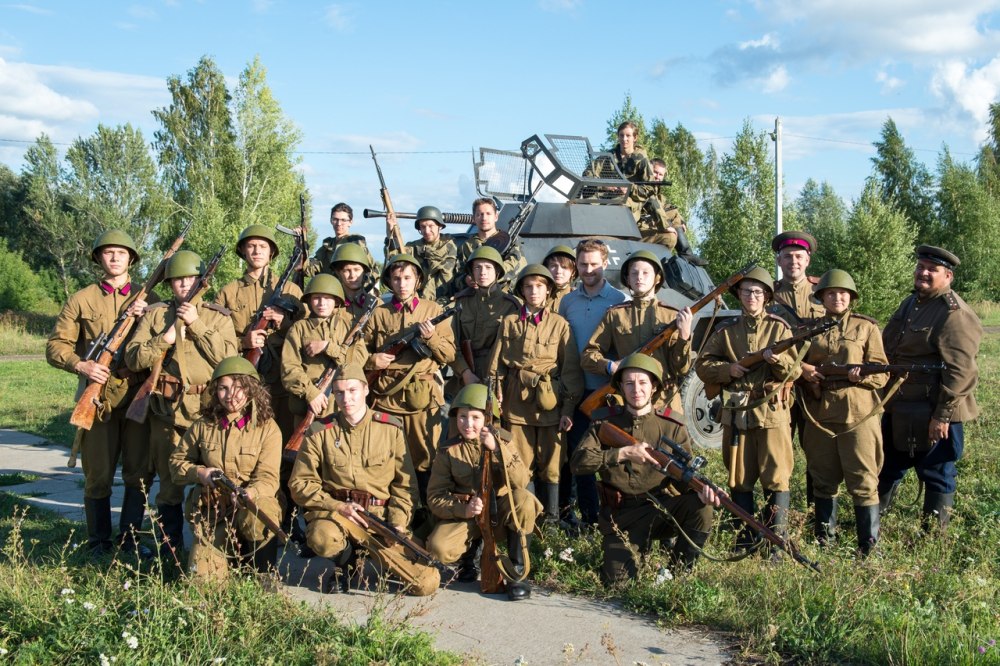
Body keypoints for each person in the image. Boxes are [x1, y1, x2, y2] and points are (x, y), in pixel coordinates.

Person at [46, 230, 155, 557]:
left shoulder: (146, 298)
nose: (114, 258)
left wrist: (147, 315)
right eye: (107, 253)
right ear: (98, 258)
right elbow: (55, 346)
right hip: (98, 398)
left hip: (137, 395)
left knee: (139, 473)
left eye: (121, 253)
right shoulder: (81, 298)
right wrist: (82, 366)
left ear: (131, 259)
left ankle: (131, 540)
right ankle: (98, 543)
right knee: (98, 475)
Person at [125, 250, 238, 556]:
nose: (184, 284)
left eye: (191, 278)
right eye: (178, 280)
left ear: (202, 281)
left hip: (209, 412)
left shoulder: (218, 316)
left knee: (216, 479)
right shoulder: (155, 314)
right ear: (170, 283)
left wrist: (197, 324)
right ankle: (170, 553)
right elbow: (133, 358)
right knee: (170, 486)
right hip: (168, 412)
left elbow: (230, 361)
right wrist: (165, 338)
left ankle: (220, 552)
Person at [288, 363, 436, 595]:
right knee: (322, 538)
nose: (346, 398)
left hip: (379, 518)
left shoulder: (391, 429)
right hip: (337, 516)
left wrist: (397, 522)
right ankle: (344, 565)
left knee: (426, 584)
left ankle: (371, 556)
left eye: (352, 390)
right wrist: (338, 506)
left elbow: (405, 485)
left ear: (366, 389)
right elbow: (300, 484)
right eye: (339, 392)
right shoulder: (319, 431)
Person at [571, 354, 718, 585]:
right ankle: (640, 551)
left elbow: (683, 478)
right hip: (621, 517)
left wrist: (702, 490)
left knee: (702, 507)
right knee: (618, 585)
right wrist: (622, 453)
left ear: (654, 387)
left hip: (660, 509)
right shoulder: (604, 423)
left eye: (642, 383)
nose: (636, 390)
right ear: (620, 387)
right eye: (629, 383)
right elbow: (578, 462)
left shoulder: (672, 426)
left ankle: (678, 575)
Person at [878, 245, 982, 533]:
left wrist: (943, 416)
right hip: (902, 405)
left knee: (937, 471)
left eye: (932, 270)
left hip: (935, 409)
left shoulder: (954, 313)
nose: (923, 273)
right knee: (887, 465)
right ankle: (871, 526)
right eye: (920, 267)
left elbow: (962, 371)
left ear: (947, 276)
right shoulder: (911, 304)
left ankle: (933, 537)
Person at [694, 266, 799, 552]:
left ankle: (776, 543)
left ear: (766, 296)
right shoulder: (725, 331)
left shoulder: (780, 328)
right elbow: (702, 365)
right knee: (739, 477)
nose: (751, 296)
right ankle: (745, 539)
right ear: (738, 295)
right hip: (737, 413)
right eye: (745, 291)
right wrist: (730, 369)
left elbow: (796, 370)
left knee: (776, 476)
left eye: (757, 292)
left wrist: (774, 360)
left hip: (772, 412)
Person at [797, 270, 888, 555]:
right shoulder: (808, 330)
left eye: (843, 293)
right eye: (831, 293)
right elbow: (789, 362)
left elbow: (882, 373)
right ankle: (825, 542)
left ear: (851, 298)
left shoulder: (866, 328)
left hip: (857, 414)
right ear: (821, 297)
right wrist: (805, 371)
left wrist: (861, 377)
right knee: (822, 479)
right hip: (820, 413)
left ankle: (868, 547)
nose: (838, 298)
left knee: (863, 480)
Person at [169, 356, 283, 579]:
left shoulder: (268, 428)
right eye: (223, 388)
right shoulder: (203, 425)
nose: (231, 395)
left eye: (239, 387)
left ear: (251, 389)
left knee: (260, 517)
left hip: (251, 502)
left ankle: (264, 574)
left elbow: (269, 478)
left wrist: (251, 493)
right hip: (215, 509)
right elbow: (175, 464)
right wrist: (200, 473)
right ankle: (229, 555)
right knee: (202, 583)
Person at [426, 383, 541, 600]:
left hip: (499, 515)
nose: (468, 424)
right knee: (437, 547)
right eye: (462, 417)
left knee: (525, 500)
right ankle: (467, 560)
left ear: (488, 420)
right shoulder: (447, 451)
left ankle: (516, 572)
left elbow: (521, 480)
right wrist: (464, 510)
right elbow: (435, 497)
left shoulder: (504, 441)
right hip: (468, 517)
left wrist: (497, 449)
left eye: (475, 418)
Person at [488, 264, 582, 522]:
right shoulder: (509, 323)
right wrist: (495, 403)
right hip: (516, 405)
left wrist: (567, 410)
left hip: (549, 403)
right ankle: (526, 519)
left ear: (549, 289)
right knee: (519, 465)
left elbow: (570, 371)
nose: (533, 291)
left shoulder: (560, 325)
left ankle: (550, 519)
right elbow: (496, 368)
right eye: (528, 286)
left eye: (539, 286)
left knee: (552, 466)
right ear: (521, 290)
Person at [364, 254, 457, 505]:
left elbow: (448, 355)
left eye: (407, 278)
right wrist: (373, 361)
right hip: (386, 396)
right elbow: (360, 350)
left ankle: (425, 513)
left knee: (425, 458)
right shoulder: (379, 314)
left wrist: (431, 339)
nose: (402, 284)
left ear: (418, 280)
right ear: (389, 282)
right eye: (396, 278)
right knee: (385, 456)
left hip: (422, 399)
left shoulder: (434, 311)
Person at [557, 239, 628, 526]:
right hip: (577, 393)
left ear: (604, 263)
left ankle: (616, 517)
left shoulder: (619, 301)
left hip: (609, 394)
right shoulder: (568, 301)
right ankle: (588, 518)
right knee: (581, 456)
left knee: (613, 456)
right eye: (583, 264)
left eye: (594, 264)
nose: (588, 270)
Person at [216, 224, 305, 443]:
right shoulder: (228, 292)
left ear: (271, 252)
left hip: (283, 375)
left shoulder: (291, 291)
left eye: (262, 246)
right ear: (243, 251)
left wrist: (283, 323)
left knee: (284, 435)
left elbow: (308, 332)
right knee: (245, 435)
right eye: (251, 246)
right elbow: (215, 337)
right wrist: (243, 342)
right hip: (243, 376)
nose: (257, 251)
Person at [582, 249, 693, 413]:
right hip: (629, 402)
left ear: (657, 278)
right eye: (634, 273)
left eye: (646, 273)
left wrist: (684, 336)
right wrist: (610, 367)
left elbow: (681, 369)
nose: (639, 277)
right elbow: (588, 356)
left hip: (665, 402)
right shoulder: (616, 314)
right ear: (627, 279)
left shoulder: (671, 315)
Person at [450, 246, 520, 388]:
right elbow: (451, 342)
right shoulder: (462, 301)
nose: (482, 272)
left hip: (499, 376)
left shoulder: (511, 305)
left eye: (488, 267)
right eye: (477, 268)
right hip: (466, 374)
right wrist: (465, 372)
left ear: (497, 271)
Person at [640, 159, 706, 265]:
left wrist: (681, 222)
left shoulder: (658, 193)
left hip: (650, 225)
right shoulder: (642, 188)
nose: (657, 177)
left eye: (660, 174)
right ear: (649, 171)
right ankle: (681, 255)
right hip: (640, 228)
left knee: (674, 213)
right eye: (655, 172)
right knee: (670, 238)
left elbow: (668, 208)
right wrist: (665, 226)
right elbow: (652, 207)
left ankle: (686, 253)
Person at [452, 198, 526, 293]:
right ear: (474, 218)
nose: (484, 218)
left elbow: (516, 265)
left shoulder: (509, 241)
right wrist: (466, 280)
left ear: (496, 216)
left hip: (503, 295)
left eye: (488, 214)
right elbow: (457, 276)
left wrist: (489, 276)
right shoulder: (467, 246)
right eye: (479, 214)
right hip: (474, 297)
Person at [394, 206, 457, 302]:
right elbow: (395, 261)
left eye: (431, 226)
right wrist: (392, 232)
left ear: (439, 226)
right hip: (418, 301)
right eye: (423, 227)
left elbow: (452, 277)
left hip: (445, 301)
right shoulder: (413, 247)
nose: (427, 231)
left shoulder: (451, 247)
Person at [306, 203, 377, 276]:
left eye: (343, 220)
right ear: (331, 221)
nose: (339, 223)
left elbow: (373, 271)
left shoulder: (356, 244)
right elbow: (308, 269)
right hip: (331, 287)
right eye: (335, 219)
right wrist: (301, 245)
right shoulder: (327, 247)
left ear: (350, 222)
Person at [771, 231, 825, 323]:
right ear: (779, 261)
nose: (793, 261)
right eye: (788, 256)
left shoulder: (823, 290)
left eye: (799, 257)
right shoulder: (767, 294)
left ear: (807, 261)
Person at [610, 121, 655, 223]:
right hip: (607, 198)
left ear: (635, 138)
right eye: (621, 135)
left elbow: (650, 189)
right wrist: (605, 186)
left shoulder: (641, 159)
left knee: (620, 207)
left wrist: (629, 188)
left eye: (628, 136)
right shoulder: (609, 156)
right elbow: (589, 174)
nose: (624, 139)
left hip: (632, 201)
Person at [329, 243, 379, 326]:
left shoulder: (376, 304)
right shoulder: (329, 305)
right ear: (338, 273)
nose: (352, 275)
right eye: (347, 270)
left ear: (364, 272)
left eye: (357, 270)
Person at [542, 245, 577, 313]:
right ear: (547, 268)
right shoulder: (535, 294)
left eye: (564, 267)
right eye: (554, 266)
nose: (558, 271)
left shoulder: (577, 299)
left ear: (573, 272)